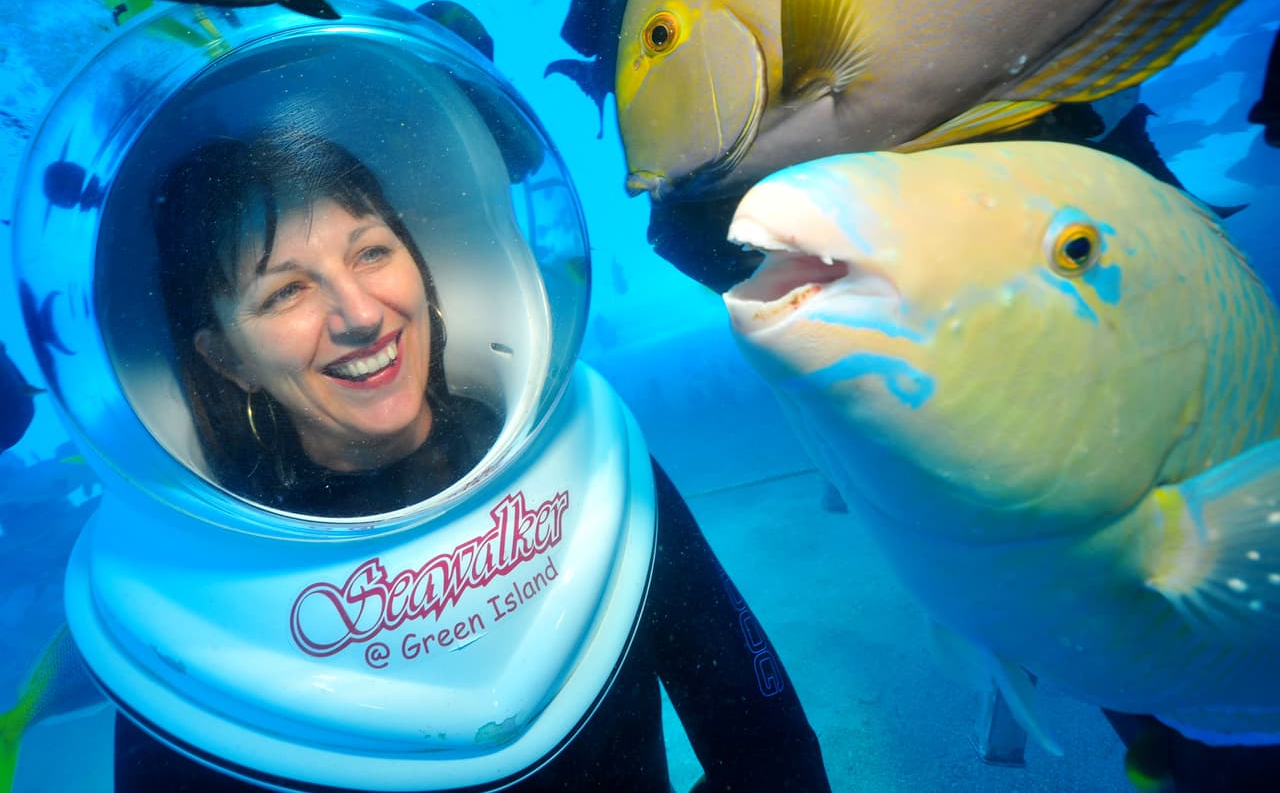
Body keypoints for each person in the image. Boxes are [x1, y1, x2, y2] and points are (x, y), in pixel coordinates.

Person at [108, 130, 831, 793]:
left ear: (417, 264)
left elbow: (765, 746)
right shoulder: (197, 587)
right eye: (286, 291)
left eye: (370, 251)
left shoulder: (573, 445)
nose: (359, 315)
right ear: (227, 358)